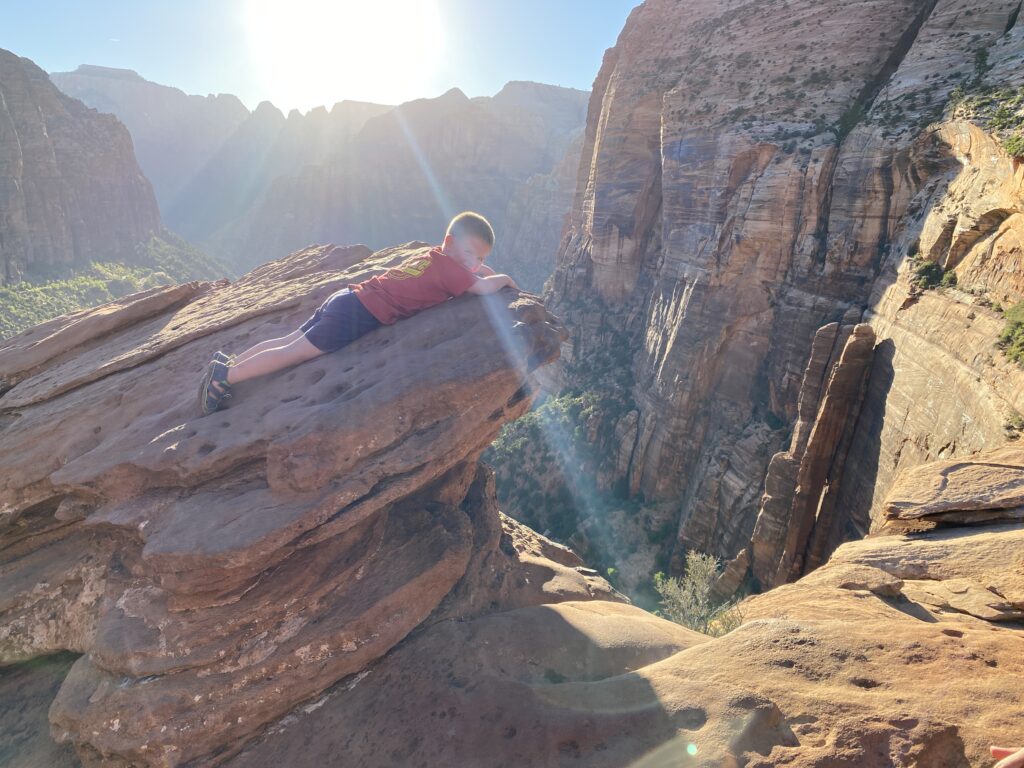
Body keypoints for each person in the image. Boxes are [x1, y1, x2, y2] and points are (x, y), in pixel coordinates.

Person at [198, 210, 517, 415]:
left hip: (348, 296)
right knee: (295, 352)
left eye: (479, 259)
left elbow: (469, 271)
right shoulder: (454, 272)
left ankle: (230, 362)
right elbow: (483, 287)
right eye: (469, 254)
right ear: (449, 243)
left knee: (289, 339)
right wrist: (503, 278)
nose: (473, 265)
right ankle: (226, 377)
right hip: (357, 314)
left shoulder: (435, 256)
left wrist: (475, 265)